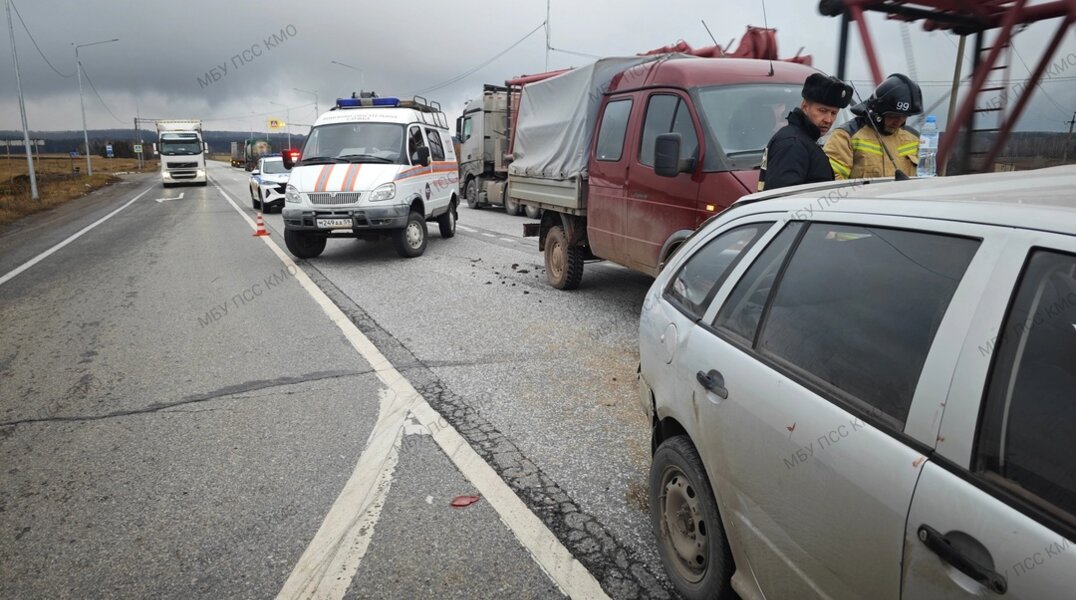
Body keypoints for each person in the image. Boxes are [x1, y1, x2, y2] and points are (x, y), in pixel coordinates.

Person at [758, 73, 853, 191]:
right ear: (805, 106)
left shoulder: (803, 141)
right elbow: (784, 201)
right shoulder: (793, 144)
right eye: (822, 110)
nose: (829, 120)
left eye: (834, 113)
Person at [824, 73, 923, 180]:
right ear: (877, 113)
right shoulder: (846, 137)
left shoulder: (914, 139)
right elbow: (832, 182)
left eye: (904, 116)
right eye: (892, 116)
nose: (898, 122)